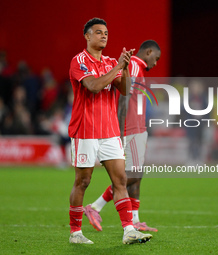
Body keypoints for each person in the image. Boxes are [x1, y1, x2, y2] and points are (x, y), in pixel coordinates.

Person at [68, 18, 152, 244]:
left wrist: (123, 68)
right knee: (82, 181)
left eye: (106, 32)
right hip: (85, 130)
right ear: (87, 36)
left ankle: (128, 231)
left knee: (121, 180)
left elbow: (124, 90)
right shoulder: (79, 61)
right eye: (98, 32)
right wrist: (117, 66)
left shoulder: (109, 62)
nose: (104, 36)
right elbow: (93, 86)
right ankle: (75, 232)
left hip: (110, 131)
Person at [83, 40, 161, 232]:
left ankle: (135, 219)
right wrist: (119, 131)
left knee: (138, 175)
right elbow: (124, 97)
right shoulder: (133, 64)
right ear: (148, 51)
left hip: (138, 129)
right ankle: (95, 206)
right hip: (130, 129)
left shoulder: (138, 67)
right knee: (130, 176)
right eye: (156, 58)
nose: (156, 63)